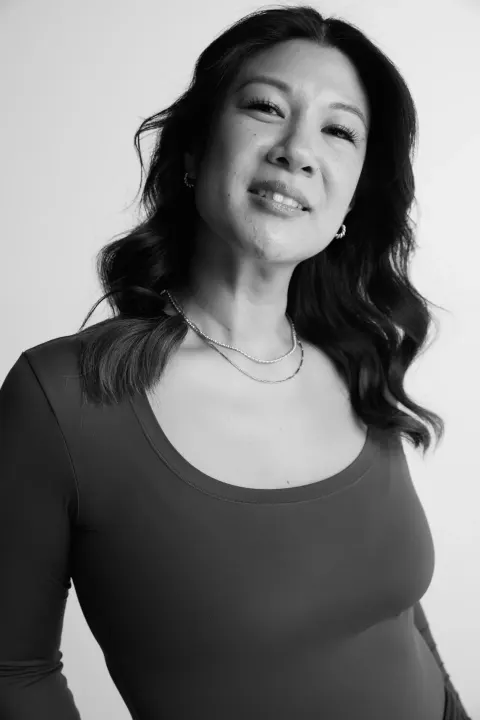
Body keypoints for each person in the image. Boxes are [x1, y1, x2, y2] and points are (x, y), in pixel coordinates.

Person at [0, 5, 471, 720]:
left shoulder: (357, 359)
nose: (297, 150)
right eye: (265, 108)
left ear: (352, 197)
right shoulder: (64, 399)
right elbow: (14, 672)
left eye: (339, 131)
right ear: (193, 153)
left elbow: (399, 619)